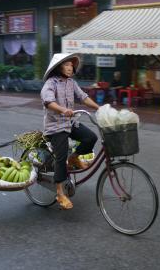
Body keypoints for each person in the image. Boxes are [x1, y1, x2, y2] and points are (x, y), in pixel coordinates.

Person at [40, 53, 100, 210]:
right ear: (59, 67)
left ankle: (73, 158)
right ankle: (59, 193)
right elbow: (47, 101)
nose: (69, 67)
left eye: (71, 65)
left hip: (70, 122)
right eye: (66, 65)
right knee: (61, 155)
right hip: (55, 126)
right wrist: (63, 110)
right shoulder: (51, 83)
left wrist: (99, 107)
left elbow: (83, 97)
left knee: (90, 138)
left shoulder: (72, 83)